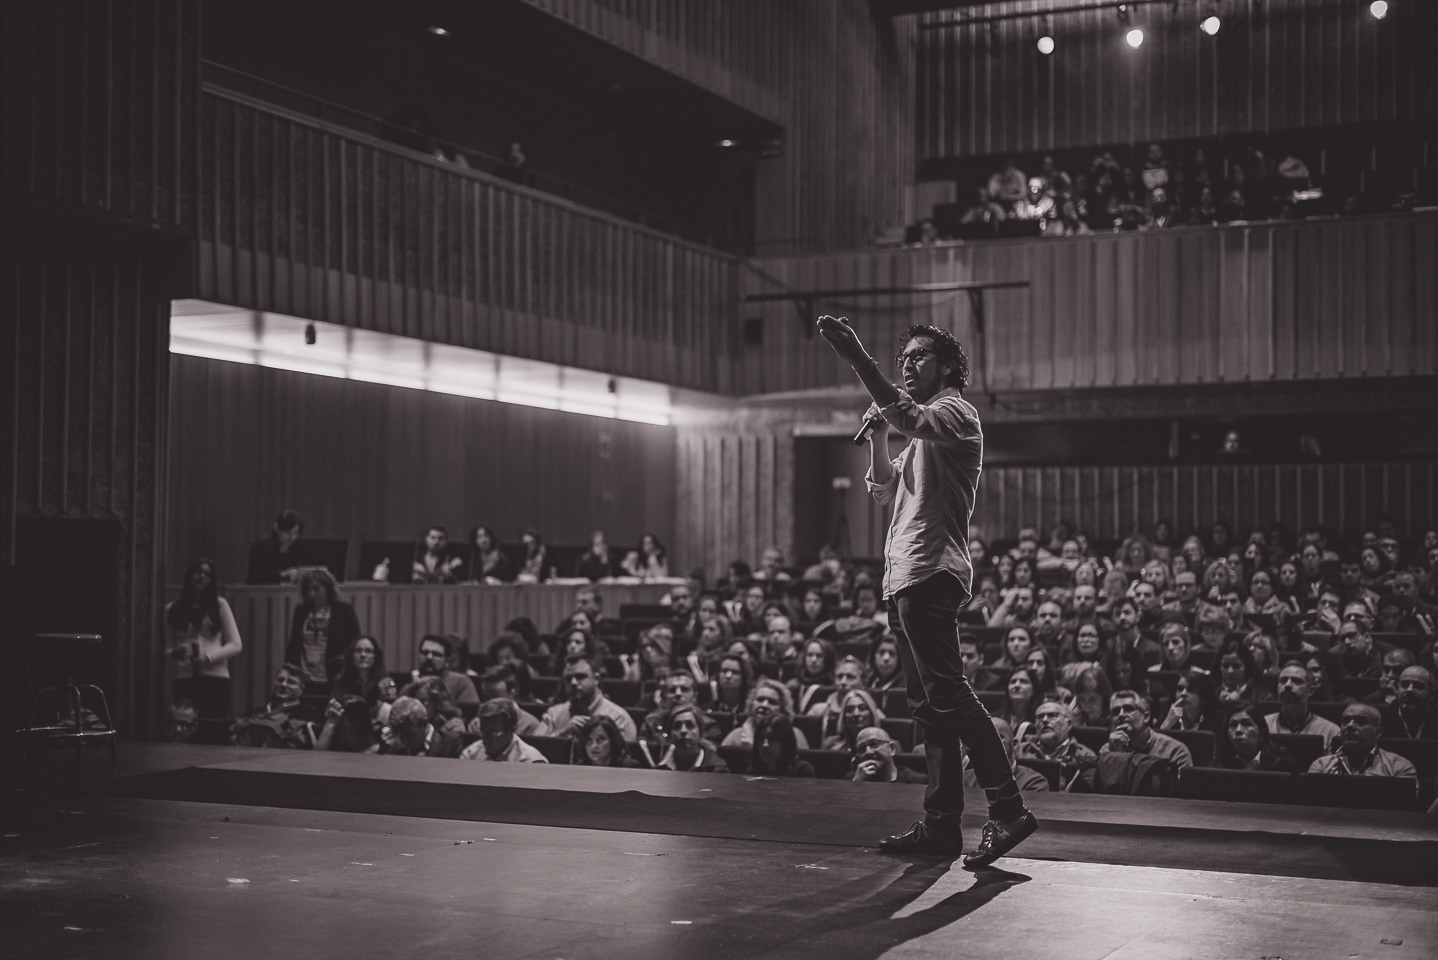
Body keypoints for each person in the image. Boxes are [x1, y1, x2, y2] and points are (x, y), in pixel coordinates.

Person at [817, 314, 1035, 867]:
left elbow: (910, 414)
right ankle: (942, 827)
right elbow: (883, 489)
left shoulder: (956, 413)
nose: (908, 364)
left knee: (949, 694)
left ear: (948, 367)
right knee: (931, 708)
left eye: (919, 356)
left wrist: (858, 358)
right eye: (903, 359)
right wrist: (879, 436)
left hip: (932, 571)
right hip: (904, 577)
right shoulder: (919, 438)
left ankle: (1009, 809)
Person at [165, 558, 243, 724]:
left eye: (207, 574)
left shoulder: (220, 604)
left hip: (216, 677)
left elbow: (236, 644)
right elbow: (167, 648)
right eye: (198, 572)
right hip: (185, 676)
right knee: (185, 727)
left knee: (211, 727)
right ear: (189, 575)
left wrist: (208, 658)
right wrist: (175, 653)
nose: (201, 576)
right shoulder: (172, 608)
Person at [284, 569, 362, 690]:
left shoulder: (344, 610)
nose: (311, 594)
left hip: (335, 675)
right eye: (308, 590)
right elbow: (294, 643)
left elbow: (355, 643)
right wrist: (288, 668)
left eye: (316, 589)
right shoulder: (301, 610)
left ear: (328, 589)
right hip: (305, 675)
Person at [535, 655, 637, 741]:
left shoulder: (618, 718)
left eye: (580, 677)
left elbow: (624, 757)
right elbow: (534, 748)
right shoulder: (553, 714)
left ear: (596, 679)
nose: (573, 682)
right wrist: (562, 734)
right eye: (568, 679)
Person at [1307, 703, 1417, 781]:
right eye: (1345, 721)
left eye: (1361, 721)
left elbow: (1404, 805)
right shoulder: (1321, 766)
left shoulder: (1399, 767)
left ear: (1378, 733)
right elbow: (1309, 803)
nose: (1350, 726)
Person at [229, 663, 322, 748]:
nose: (283, 685)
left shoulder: (309, 713)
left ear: (301, 689)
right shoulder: (253, 712)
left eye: (291, 682)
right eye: (280, 680)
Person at [1015, 699, 1097, 789]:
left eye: (1052, 715)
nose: (1045, 720)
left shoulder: (1085, 756)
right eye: (1040, 717)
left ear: (1069, 724)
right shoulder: (1019, 751)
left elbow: (1086, 793)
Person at [1101, 689, 1193, 769]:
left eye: (1128, 709)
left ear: (1146, 717)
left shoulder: (1175, 752)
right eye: (1115, 712)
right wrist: (1117, 757)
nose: (1121, 715)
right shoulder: (1109, 750)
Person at [720, 678, 812, 751]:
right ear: (752, 704)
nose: (764, 705)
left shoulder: (795, 736)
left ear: (782, 710)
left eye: (772, 702)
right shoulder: (736, 736)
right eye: (760, 700)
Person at [1265, 663, 1341, 748]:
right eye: (1283, 680)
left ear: (1311, 690)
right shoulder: (1263, 726)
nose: (1287, 685)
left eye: (1296, 681)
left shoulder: (1330, 731)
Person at [640, 702, 727, 772]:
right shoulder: (660, 770)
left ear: (700, 733)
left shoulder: (718, 770)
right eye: (677, 726)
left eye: (690, 725)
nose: (683, 731)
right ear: (670, 736)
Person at [1213, 704, 1299, 772]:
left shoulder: (1283, 764)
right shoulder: (1217, 765)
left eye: (1246, 724)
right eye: (1233, 725)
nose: (1238, 730)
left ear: (1262, 733)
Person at [459, 698, 548, 762]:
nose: (486, 739)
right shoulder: (470, 755)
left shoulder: (530, 761)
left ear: (512, 729)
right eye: (483, 732)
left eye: (495, 733)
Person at [378, 696, 466, 758]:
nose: (405, 742)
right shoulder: (394, 748)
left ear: (423, 724)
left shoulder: (451, 743)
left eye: (409, 735)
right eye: (399, 735)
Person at [415, 634, 479, 708]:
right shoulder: (411, 683)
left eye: (436, 654)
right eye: (425, 653)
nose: (429, 657)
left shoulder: (461, 682)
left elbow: (469, 711)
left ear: (446, 660)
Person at [474, 666, 540, 737]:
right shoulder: (475, 724)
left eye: (496, 698)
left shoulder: (530, 725)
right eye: (486, 698)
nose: (490, 703)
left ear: (512, 692)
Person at [246, 509, 305, 584]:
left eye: (296, 533)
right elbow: (254, 576)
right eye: (288, 533)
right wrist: (282, 575)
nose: (292, 537)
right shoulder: (260, 546)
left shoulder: (300, 547)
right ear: (277, 527)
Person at [330, 635, 387, 712]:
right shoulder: (342, 679)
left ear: (376, 656)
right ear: (351, 655)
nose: (363, 655)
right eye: (358, 651)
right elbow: (335, 705)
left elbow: (392, 710)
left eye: (368, 651)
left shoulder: (386, 681)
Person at [851, 726, 927, 783]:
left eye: (874, 744)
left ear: (891, 748)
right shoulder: (852, 778)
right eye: (862, 748)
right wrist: (856, 784)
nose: (868, 751)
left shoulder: (918, 782)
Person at [822, 688, 887, 753]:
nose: (856, 714)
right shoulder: (829, 745)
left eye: (862, 708)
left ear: (872, 714)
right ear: (843, 717)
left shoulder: (886, 744)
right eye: (850, 709)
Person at [750, 714, 816, 777]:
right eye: (761, 739)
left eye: (772, 739)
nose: (765, 745)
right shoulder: (752, 771)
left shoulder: (802, 771)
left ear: (785, 741)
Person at [1382, 666, 1438, 740]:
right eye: (1405, 685)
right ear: (1398, 688)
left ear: (1432, 694)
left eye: (1418, 686)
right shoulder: (1381, 719)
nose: (1409, 690)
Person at [572, 715, 638, 767]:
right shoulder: (578, 769)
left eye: (601, 739)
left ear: (613, 741)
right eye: (589, 740)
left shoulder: (629, 768)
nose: (594, 746)